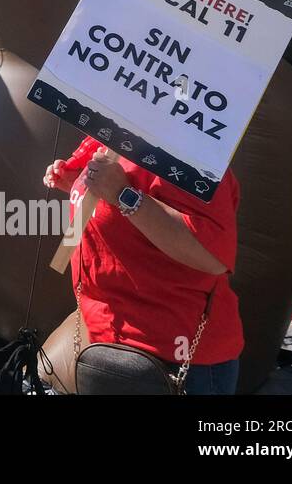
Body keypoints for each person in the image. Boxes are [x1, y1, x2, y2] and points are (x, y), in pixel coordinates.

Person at [44, 139, 243, 394]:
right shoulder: (112, 132)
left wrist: (122, 195)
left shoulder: (189, 148)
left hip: (175, 361)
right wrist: (77, 185)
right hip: (108, 341)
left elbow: (213, 256)